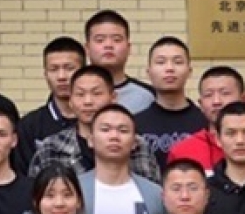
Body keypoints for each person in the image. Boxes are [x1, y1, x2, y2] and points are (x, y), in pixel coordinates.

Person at [29, 66, 162, 182]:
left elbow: (152, 196)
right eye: (80, 94)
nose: (88, 101)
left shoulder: (136, 145)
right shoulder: (51, 148)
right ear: (70, 101)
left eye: (96, 93)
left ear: (113, 98)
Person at [18, 37, 86, 167]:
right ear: (45, 74)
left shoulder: (99, 122)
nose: (61, 76)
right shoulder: (30, 126)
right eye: (54, 69)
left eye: (69, 68)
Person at [170, 66, 245, 172]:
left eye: (225, 93)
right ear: (201, 104)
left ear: (244, 99)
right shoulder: (183, 152)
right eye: (209, 95)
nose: (216, 101)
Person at [134, 37, 201, 161]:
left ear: (189, 71)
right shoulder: (135, 125)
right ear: (148, 72)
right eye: (161, 62)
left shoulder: (205, 122)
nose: (169, 68)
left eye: (178, 62)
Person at [84, 9, 155, 114]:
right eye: (100, 40)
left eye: (116, 40)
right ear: (87, 48)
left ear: (128, 48)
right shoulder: (73, 94)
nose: (108, 45)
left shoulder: (147, 96)